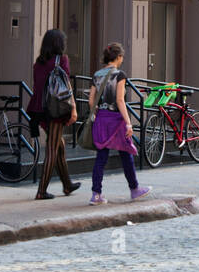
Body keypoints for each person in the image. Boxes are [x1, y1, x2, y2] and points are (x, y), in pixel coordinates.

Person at [86, 43, 149, 205]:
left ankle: (96, 194)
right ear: (118, 57)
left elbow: (91, 100)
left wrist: (96, 112)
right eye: (122, 57)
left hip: (101, 118)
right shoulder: (120, 75)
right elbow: (120, 100)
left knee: (101, 156)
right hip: (116, 119)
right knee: (126, 153)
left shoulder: (97, 75)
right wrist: (128, 123)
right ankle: (134, 189)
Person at [30, 29, 80, 200]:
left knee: (60, 146)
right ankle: (41, 190)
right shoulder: (61, 60)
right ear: (60, 43)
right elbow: (67, 87)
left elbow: (37, 87)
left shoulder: (38, 63)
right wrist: (73, 108)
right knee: (52, 149)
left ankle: (67, 184)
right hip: (56, 109)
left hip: (40, 108)